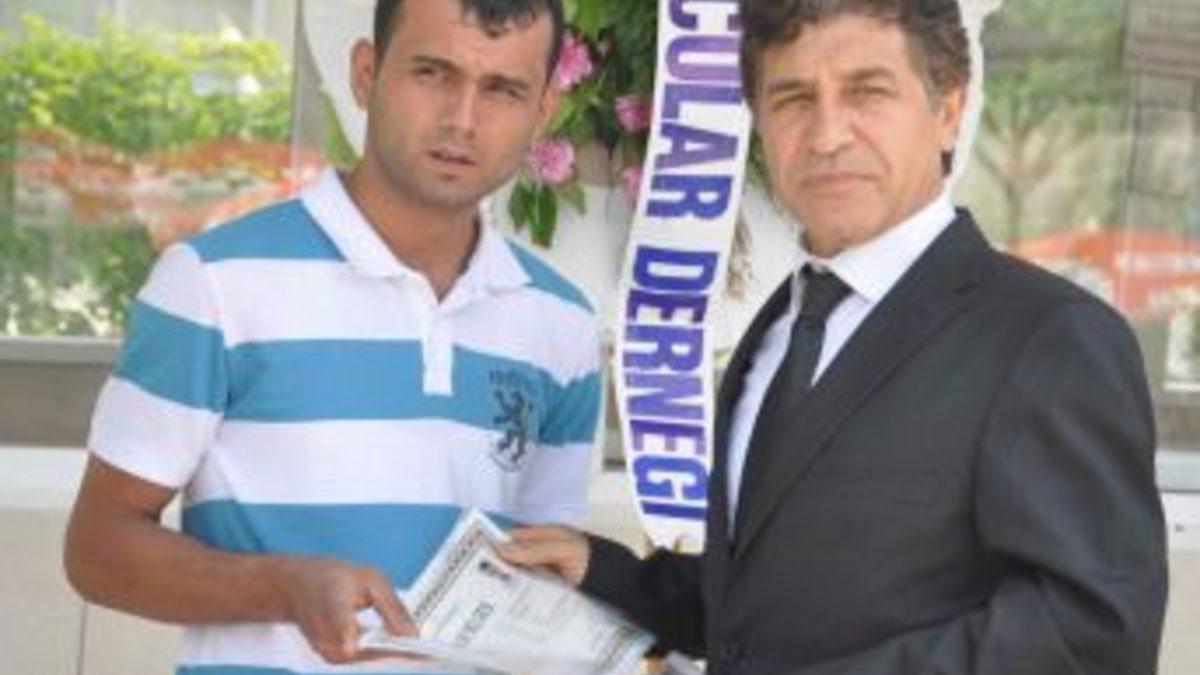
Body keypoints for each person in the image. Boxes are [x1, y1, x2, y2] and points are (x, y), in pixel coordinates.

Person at [499, 0, 1169, 673]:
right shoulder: (778, 331)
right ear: (759, 124)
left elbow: (1091, 636)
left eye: (867, 92)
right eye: (792, 99)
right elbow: (765, 599)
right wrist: (607, 573)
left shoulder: (1048, 337)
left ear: (948, 111)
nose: (826, 135)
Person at [63, 0, 601, 673]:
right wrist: (282, 588)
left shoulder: (563, 324)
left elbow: (545, 576)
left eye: (502, 89)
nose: (462, 119)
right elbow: (96, 550)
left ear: (545, 108)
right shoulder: (214, 282)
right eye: (432, 72)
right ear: (366, 73)